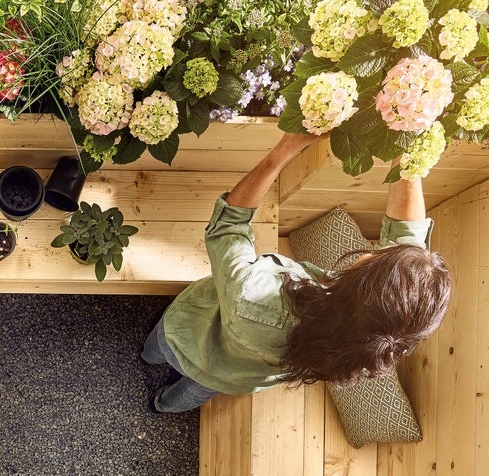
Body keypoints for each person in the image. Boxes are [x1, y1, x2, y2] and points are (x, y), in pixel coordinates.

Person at [141, 133, 452, 413]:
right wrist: (408, 146)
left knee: (160, 346)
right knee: (194, 392)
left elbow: (227, 228)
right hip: (238, 377)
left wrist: (286, 147)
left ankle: (147, 357)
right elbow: (407, 242)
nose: (373, 249)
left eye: (377, 256)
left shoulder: (256, 294)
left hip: (186, 335)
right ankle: (161, 406)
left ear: (365, 281)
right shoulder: (381, 335)